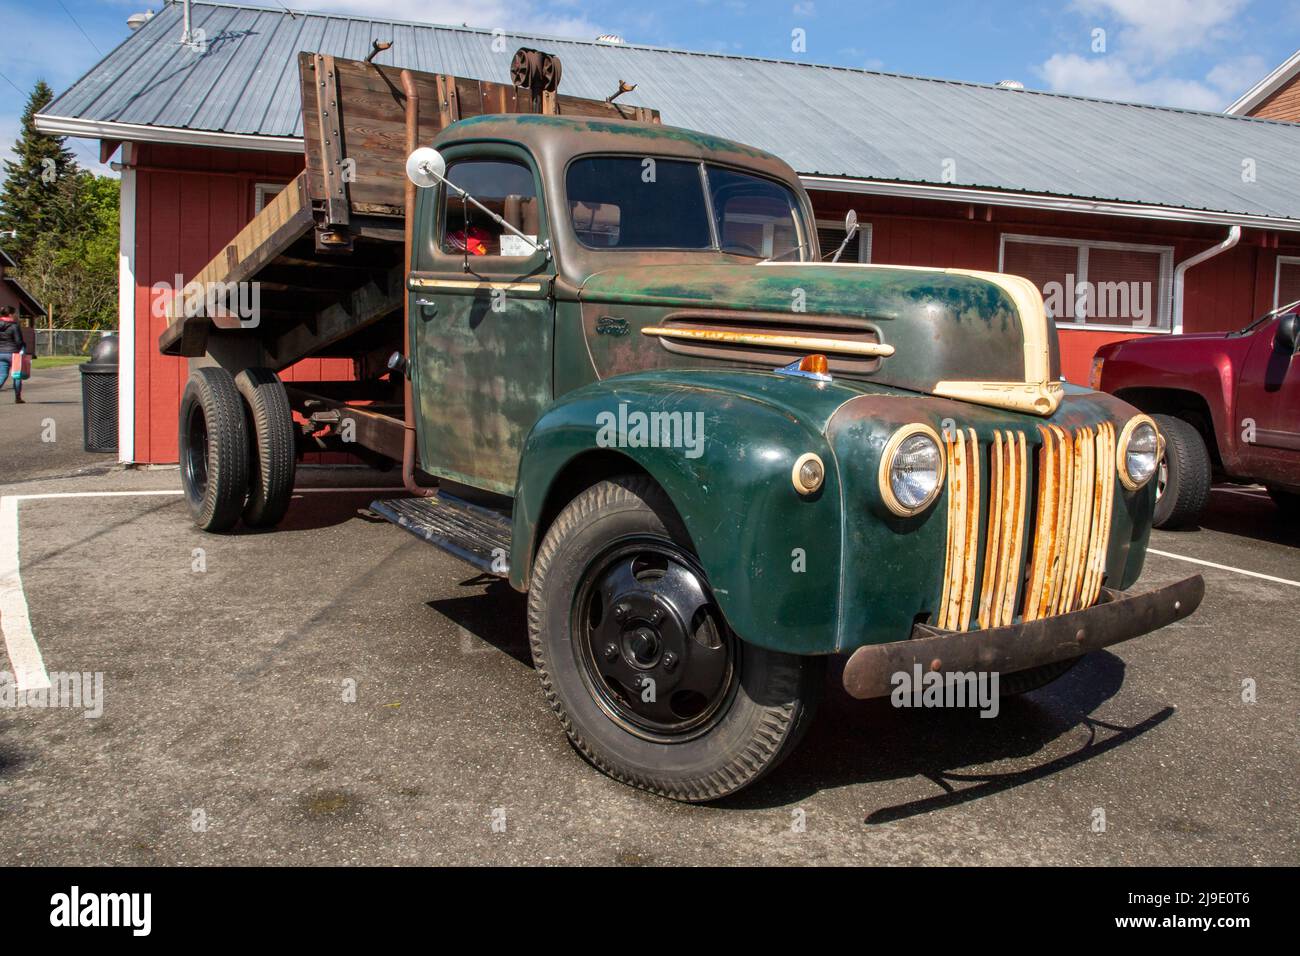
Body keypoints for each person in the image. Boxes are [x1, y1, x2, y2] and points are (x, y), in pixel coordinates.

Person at [0, 306, 27, 403]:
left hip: (1, 353)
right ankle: (18, 397)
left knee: (2, 375)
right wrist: (23, 347)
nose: (16, 315)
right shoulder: (14, 326)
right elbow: (19, 341)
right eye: (15, 313)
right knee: (17, 375)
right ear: (10, 314)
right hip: (13, 353)